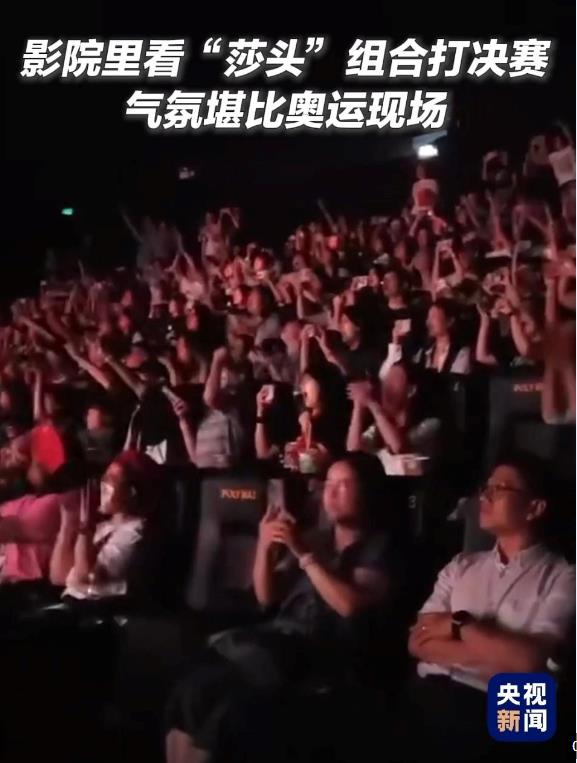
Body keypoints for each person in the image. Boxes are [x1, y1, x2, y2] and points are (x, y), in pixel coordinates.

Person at [165, 453, 402, 763]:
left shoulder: (379, 547)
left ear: (368, 491)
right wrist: (265, 548)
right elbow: (266, 596)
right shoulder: (315, 538)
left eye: (343, 484)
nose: (330, 492)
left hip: (320, 650)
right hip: (279, 638)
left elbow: (350, 606)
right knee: (190, 692)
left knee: (223, 706)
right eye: (328, 483)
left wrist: (304, 555)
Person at [398, 453, 575, 761]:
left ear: (535, 507)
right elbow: (418, 640)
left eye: (500, 488)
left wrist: (458, 625)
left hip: (511, 707)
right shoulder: (461, 565)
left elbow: (530, 663)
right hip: (433, 691)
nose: (485, 496)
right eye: (486, 488)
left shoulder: (563, 576)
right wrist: (499, 654)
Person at [50, 450, 160, 600]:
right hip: (70, 603)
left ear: (131, 492)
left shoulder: (133, 532)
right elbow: (58, 577)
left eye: (111, 480)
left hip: (93, 609)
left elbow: (86, 577)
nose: (103, 485)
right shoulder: (104, 527)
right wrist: (67, 524)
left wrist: (84, 529)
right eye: (104, 478)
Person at [347, 362, 440, 475]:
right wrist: (358, 405)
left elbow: (398, 449)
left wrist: (372, 404)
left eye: (393, 380)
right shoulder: (378, 426)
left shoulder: (430, 425)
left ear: (411, 390)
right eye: (386, 380)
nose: (386, 386)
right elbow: (353, 452)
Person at [414, 299, 471, 374]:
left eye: (434, 316)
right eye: (428, 317)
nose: (428, 322)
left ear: (450, 321)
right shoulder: (424, 351)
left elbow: (456, 378)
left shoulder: (461, 352)